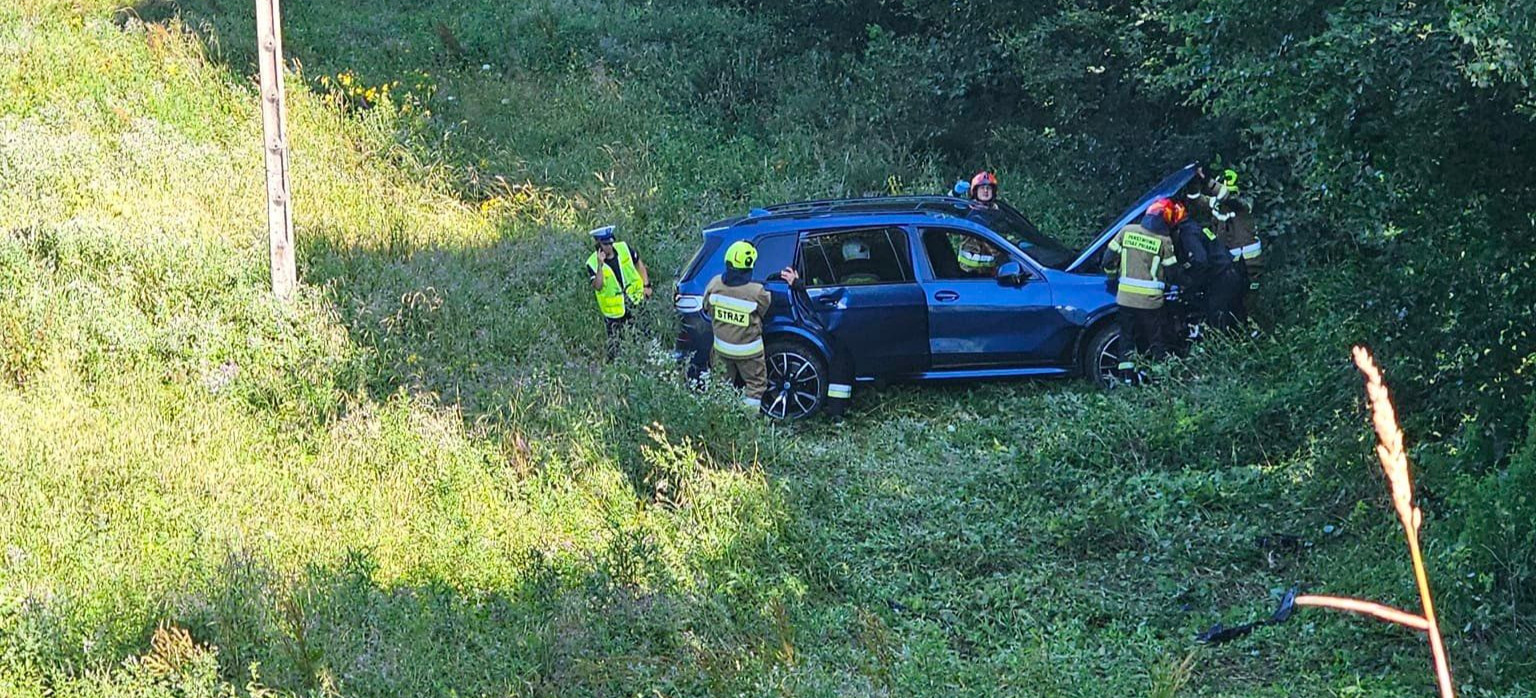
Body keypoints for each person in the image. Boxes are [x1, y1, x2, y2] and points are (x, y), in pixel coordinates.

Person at [703, 241, 799, 410]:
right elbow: (764, 312)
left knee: (721, 385)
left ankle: (719, 418)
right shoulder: (757, 291)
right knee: (755, 387)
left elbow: (706, 307)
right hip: (748, 352)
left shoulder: (715, 284)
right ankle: (749, 421)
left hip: (721, 349)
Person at [1101, 198, 1181, 379]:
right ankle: (1161, 379)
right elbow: (1173, 273)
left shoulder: (1127, 230)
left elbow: (1107, 260)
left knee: (1127, 339)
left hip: (1125, 299)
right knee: (1156, 341)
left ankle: (1126, 379)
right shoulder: (1164, 241)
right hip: (1151, 303)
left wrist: (1113, 276)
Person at [584, 225, 652, 359]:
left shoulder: (623, 248)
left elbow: (639, 264)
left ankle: (647, 358)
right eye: (605, 244)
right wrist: (600, 265)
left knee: (645, 335)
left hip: (635, 300)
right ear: (598, 244)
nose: (609, 246)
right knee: (616, 346)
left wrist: (646, 285)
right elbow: (598, 286)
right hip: (614, 311)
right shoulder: (592, 262)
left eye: (610, 243)